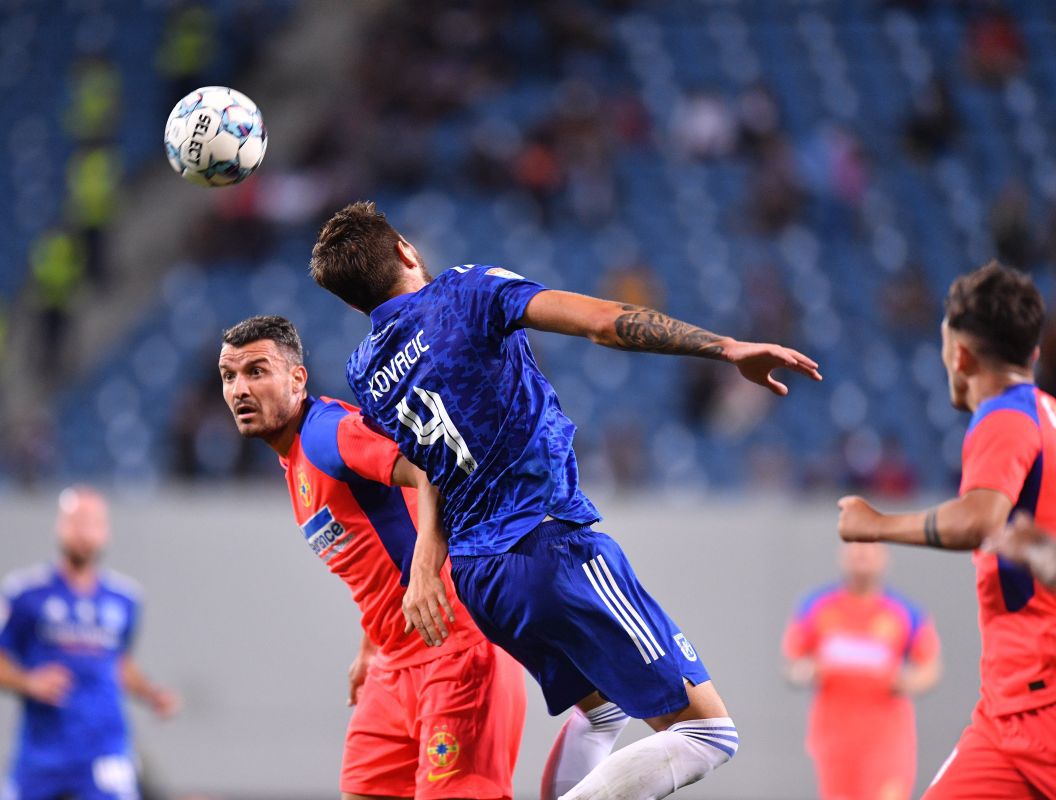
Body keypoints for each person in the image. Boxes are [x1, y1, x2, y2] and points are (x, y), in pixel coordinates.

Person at [309, 201, 822, 800]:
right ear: (406, 250)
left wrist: (429, 554)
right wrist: (726, 347)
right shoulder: (464, 293)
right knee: (707, 733)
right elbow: (602, 322)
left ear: (352, 305)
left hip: (480, 582)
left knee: (601, 710)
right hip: (548, 545)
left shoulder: (366, 370)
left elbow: (427, 468)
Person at [217, 314, 527, 800]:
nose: (239, 389)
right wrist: (370, 644)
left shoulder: (330, 433)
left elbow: (434, 465)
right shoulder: (296, 457)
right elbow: (383, 547)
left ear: (298, 379)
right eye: (229, 376)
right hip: (393, 663)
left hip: (454, 651)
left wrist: (427, 566)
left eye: (257, 371)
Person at [837, 261, 1056, 798]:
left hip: (1039, 705)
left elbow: (980, 518)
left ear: (958, 354)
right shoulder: (1048, 414)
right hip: (1008, 709)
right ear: (1031, 353)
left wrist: (875, 524)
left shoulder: (1004, 416)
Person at [0, 487, 179, 800]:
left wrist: (150, 693)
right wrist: (28, 682)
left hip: (104, 748)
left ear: (106, 532)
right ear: (59, 527)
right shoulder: (25, 594)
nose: (84, 533)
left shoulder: (124, 599)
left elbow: (118, 663)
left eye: (92, 523)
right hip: (42, 752)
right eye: (76, 522)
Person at [783, 542, 942, 800]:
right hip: (834, 739)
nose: (862, 555)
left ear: (884, 557)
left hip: (887, 741)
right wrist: (806, 672)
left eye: (870, 548)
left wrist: (902, 681)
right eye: (855, 548)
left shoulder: (905, 612)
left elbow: (929, 669)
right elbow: (792, 663)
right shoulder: (816, 606)